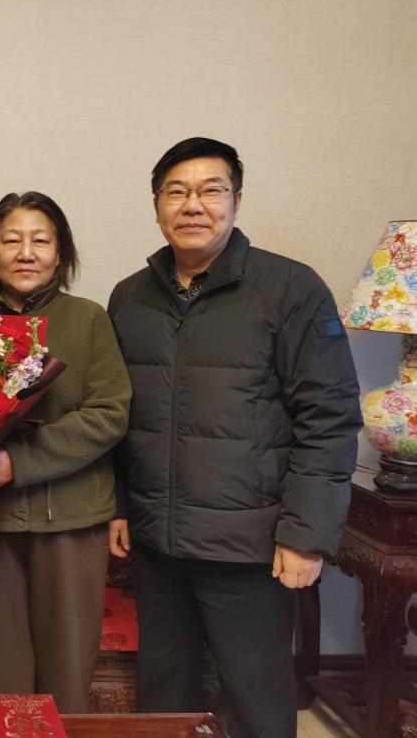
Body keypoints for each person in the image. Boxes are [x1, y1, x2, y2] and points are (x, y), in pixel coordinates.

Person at [107, 137, 361, 738]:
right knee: (164, 699)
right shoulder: (130, 297)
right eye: (176, 191)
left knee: (254, 699)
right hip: (157, 541)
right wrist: (120, 506)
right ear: (157, 205)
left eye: (210, 190)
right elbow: (117, 416)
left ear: (236, 201)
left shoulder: (290, 288)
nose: (193, 205)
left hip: (250, 545)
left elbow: (329, 417)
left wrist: (306, 535)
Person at [0, 191, 131, 713]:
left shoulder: (88, 319)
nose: (26, 252)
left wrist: (21, 462)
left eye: (41, 240)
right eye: (11, 240)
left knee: (67, 671)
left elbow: (110, 413)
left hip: (72, 520)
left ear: (60, 252)